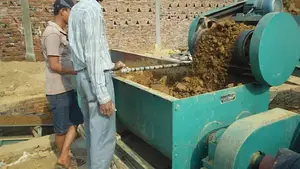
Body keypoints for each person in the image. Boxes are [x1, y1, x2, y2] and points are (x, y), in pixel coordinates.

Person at [68, 0, 126, 168]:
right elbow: (92, 54)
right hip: (95, 80)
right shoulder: (92, 9)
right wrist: (103, 96)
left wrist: (111, 65)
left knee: (93, 135)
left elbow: (83, 50)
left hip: (83, 77)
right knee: (103, 138)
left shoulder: (76, 9)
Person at [40, 0, 84, 168]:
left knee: (76, 119)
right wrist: (77, 71)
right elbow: (54, 65)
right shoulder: (52, 33)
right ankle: (64, 158)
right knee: (61, 128)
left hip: (66, 86)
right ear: (62, 12)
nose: (72, 16)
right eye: (70, 12)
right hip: (57, 90)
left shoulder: (61, 32)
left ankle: (64, 154)